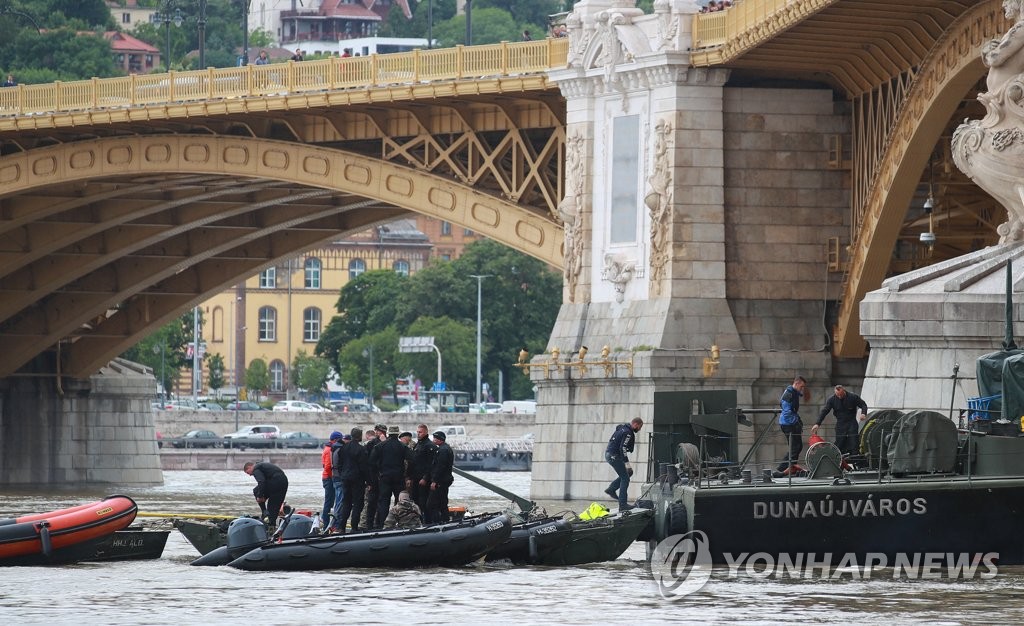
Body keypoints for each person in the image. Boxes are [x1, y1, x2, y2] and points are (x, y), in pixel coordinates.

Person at [372, 425, 413, 527]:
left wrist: (378, 472)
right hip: (398, 477)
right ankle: (398, 523)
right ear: (397, 434)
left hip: (384, 477)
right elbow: (412, 459)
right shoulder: (402, 446)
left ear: (388, 433)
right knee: (399, 501)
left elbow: (371, 461)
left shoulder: (380, 446)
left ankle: (382, 524)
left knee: (383, 502)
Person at [812, 385, 868, 457]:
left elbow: (863, 405)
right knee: (839, 442)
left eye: (841, 395)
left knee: (854, 442)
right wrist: (817, 424)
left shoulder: (852, 397)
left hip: (851, 422)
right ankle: (838, 459)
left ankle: (855, 459)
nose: (839, 397)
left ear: (844, 391)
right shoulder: (832, 399)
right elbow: (825, 411)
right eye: (837, 395)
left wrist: (863, 413)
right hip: (840, 423)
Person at [604, 417, 643, 511]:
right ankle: (623, 505)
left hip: (609, 454)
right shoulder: (628, 432)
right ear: (636, 424)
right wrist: (627, 464)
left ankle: (611, 489)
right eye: (640, 427)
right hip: (614, 456)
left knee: (628, 474)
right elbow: (623, 448)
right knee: (625, 478)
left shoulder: (622, 429)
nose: (639, 429)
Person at [335, 427, 370, 533]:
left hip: (345, 479)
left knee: (346, 503)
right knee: (357, 504)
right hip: (357, 479)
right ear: (359, 436)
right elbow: (364, 467)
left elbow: (339, 464)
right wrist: (368, 481)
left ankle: (341, 527)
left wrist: (342, 475)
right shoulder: (361, 449)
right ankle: (354, 528)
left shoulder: (343, 448)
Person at [777, 376, 810, 474]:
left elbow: (798, 395)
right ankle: (783, 469)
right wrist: (795, 421)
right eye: (802, 387)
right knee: (795, 447)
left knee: (797, 446)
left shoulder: (793, 392)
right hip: (788, 424)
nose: (802, 389)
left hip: (791, 423)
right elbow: (787, 411)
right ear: (796, 384)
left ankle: (791, 467)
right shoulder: (789, 393)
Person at [243, 461, 289, 528]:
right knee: (274, 507)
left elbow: (261, 481)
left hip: (275, 481)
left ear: (250, 467)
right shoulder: (263, 466)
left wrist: (260, 496)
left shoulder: (256, 468)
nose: (250, 475)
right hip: (283, 482)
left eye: (248, 472)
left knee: (256, 491)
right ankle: (272, 525)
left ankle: (264, 511)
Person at [426, 430, 454, 523]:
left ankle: (437, 522)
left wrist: (434, 481)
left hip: (440, 481)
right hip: (445, 480)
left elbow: (440, 467)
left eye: (435, 438)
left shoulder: (443, 450)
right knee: (442, 502)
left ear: (439, 439)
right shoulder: (445, 448)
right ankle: (445, 520)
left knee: (432, 504)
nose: (433, 440)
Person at [408, 423, 436, 514]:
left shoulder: (429, 446)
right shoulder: (418, 445)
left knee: (423, 501)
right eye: (417, 432)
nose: (418, 434)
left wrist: (425, 478)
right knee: (414, 500)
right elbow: (413, 462)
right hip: (415, 478)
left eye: (420, 432)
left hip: (423, 479)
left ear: (425, 432)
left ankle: (425, 521)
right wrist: (409, 477)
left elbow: (431, 464)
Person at [363, 424, 386, 529]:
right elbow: (368, 464)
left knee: (382, 502)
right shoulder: (370, 444)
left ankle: (379, 524)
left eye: (379, 431)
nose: (378, 433)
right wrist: (369, 481)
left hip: (384, 477)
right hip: (373, 477)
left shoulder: (387, 443)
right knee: (372, 503)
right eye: (377, 431)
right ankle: (369, 524)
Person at [320, 430, 343, 526]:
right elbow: (329, 466)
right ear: (335, 440)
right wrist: (334, 476)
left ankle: (326, 522)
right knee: (329, 502)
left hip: (327, 478)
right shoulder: (330, 450)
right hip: (329, 479)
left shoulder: (327, 448)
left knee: (329, 502)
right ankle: (326, 523)